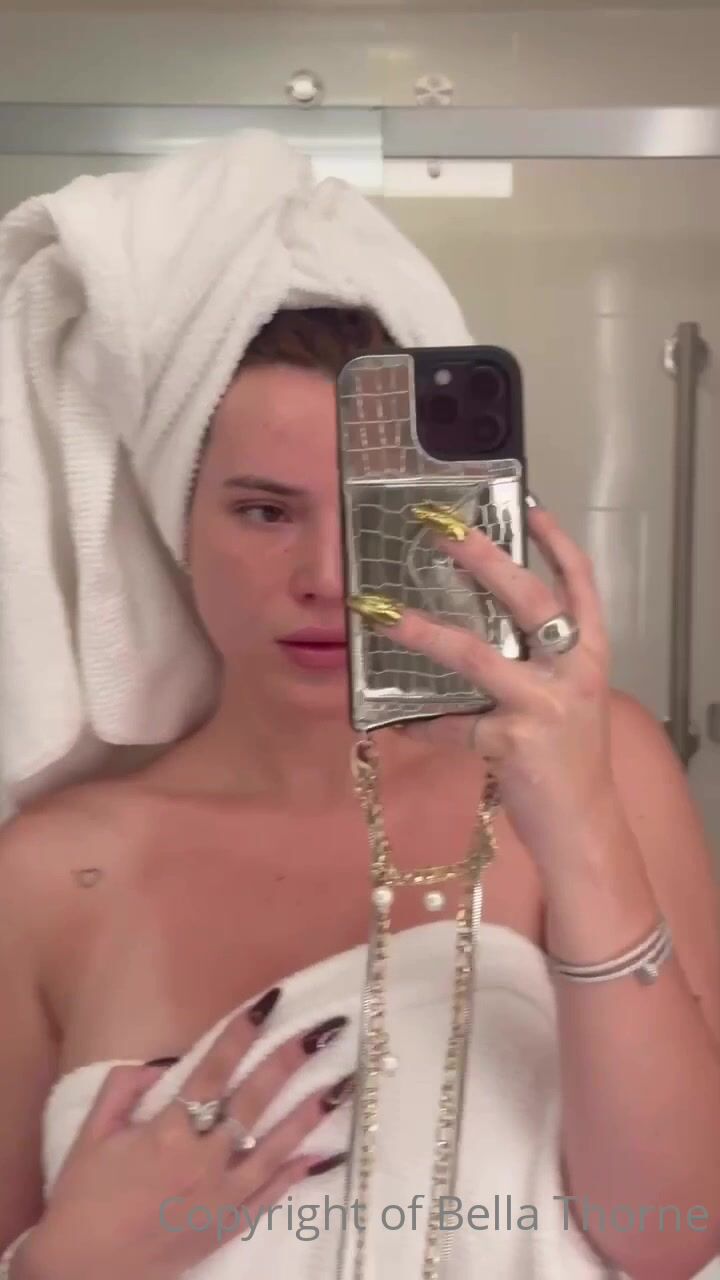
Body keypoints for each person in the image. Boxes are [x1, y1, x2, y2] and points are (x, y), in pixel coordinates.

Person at [0, 151, 719, 1280]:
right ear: (175, 522)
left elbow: (671, 1230)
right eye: (264, 511)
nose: (328, 578)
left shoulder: (602, 762)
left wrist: (579, 825)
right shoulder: (47, 873)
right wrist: (65, 1264)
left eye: (372, 512)